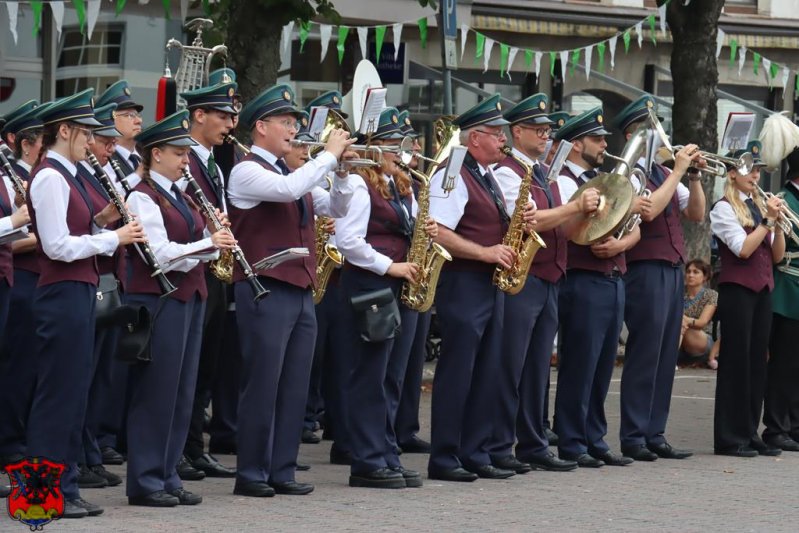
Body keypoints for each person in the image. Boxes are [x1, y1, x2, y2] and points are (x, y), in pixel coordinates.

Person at [227, 84, 355, 497]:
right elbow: (287, 192)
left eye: (295, 123)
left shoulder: (291, 173)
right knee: (263, 382)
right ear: (260, 127)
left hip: (300, 288)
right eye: (286, 122)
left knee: (294, 384)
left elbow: (336, 207)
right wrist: (329, 155)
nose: (294, 130)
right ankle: (251, 472)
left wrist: (342, 172)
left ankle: (282, 469)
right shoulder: (247, 170)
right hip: (265, 287)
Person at [26, 88, 145, 518]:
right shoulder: (50, 176)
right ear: (64, 130)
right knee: (56, 397)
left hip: (76, 290)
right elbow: (56, 245)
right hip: (60, 293)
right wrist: (113, 237)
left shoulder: (70, 175)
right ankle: (39, 496)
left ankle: (66, 485)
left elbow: (77, 227)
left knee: (74, 395)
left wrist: (106, 221)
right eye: (84, 133)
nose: (90, 141)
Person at [124, 110, 236, 507]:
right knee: (156, 392)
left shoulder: (182, 194)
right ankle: (145, 479)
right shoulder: (141, 194)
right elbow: (161, 254)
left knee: (181, 392)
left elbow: (190, 247)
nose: (185, 161)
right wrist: (209, 244)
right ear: (155, 154)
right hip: (160, 301)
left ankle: (167, 472)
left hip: (190, 298)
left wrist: (211, 234)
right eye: (178, 154)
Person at [427, 94, 535, 482]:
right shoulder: (453, 172)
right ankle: (445, 455)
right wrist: (485, 252)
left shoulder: (486, 173)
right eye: (496, 134)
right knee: (459, 371)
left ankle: (475, 451)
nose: (504, 141)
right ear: (474, 138)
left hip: (487, 284)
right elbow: (438, 230)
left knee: (487, 370)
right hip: (464, 283)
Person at [491, 93, 599, 474]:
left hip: (551, 276)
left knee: (537, 368)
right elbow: (528, 221)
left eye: (547, 130)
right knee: (511, 365)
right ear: (516, 132)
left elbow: (563, 228)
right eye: (538, 130)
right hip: (526, 278)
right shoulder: (507, 171)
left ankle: (532, 443)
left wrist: (589, 216)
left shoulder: (542, 173)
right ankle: (500, 443)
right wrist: (574, 206)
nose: (546, 136)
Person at [336, 107, 436, 488]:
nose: (402, 151)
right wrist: (390, 267)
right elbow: (348, 242)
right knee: (370, 375)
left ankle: (387, 451)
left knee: (393, 376)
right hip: (372, 286)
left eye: (403, 144)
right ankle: (366, 459)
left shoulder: (400, 184)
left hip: (398, 285)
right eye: (393, 144)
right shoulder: (361, 183)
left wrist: (419, 228)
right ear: (373, 147)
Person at [614, 96, 705, 463]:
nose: (662, 135)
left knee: (667, 352)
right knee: (646, 350)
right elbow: (649, 210)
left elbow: (695, 213)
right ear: (635, 133)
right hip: (645, 268)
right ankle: (634, 435)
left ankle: (656, 432)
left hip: (671, 268)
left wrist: (693, 175)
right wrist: (679, 171)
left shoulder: (663, 172)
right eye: (653, 129)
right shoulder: (633, 170)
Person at [554, 107, 641, 468]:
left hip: (613, 276)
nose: (605, 144)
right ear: (577, 144)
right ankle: (572, 439)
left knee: (604, 364)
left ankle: (595, 436)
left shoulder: (603, 179)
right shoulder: (563, 181)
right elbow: (569, 231)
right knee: (580, 363)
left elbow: (635, 225)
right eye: (597, 139)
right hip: (583, 279)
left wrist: (621, 244)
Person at [178, 80, 239, 482]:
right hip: (191, 264)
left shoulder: (215, 162)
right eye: (222, 116)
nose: (230, 124)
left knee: (207, 364)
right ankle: (181, 449)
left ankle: (195, 448)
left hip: (213, 268)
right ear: (199, 116)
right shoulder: (183, 158)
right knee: (189, 365)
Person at [709, 141, 785, 458]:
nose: (756, 175)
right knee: (736, 362)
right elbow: (742, 248)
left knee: (757, 363)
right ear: (732, 174)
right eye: (749, 170)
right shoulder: (724, 207)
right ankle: (730, 436)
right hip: (738, 291)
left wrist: (778, 226)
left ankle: (749, 431)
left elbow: (777, 256)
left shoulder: (757, 205)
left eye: (757, 170)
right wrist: (767, 222)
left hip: (762, 290)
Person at [74, 102, 127, 490]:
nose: (110, 148)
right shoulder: (73, 176)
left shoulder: (98, 174)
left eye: (112, 141)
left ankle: (90, 453)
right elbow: (70, 236)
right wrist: (107, 226)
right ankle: (78, 460)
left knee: (100, 377)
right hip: (85, 281)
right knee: (80, 378)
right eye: (103, 141)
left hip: (107, 280)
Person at [0, 101, 44, 468]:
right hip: (21, 277)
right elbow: (19, 235)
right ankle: (11, 443)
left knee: (28, 365)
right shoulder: (11, 173)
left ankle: (19, 440)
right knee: (16, 365)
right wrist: (17, 221)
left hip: (16, 277)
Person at [394, 110, 432, 455]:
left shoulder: (412, 183)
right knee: (388, 369)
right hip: (390, 278)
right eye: (406, 143)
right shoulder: (376, 182)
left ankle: (404, 428)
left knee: (411, 361)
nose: (415, 148)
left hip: (415, 275)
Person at [761, 140, 799, 452]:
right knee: (784, 365)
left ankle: (794, 423)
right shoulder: (784, 200)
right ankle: (776, 427)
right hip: (788, 290)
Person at [679, 259, 718, 368]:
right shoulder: (678, 292)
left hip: (701, 339)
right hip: (680, 341)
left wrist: (684, 319)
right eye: (688, 272)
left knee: (681, 323)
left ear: (705, 277)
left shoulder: (711, 295)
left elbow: (702, 322)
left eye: (695, 272)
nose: (690, 275)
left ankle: (669, 360)